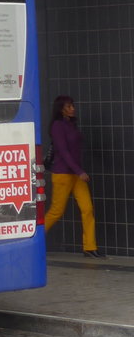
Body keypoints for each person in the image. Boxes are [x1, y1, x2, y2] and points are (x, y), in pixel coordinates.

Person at [43, 95, 104, 258]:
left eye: (72, 106)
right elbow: (63, 152)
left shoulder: (71, 124)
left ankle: (90, 247)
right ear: (61, 109)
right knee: (56, 211)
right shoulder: (57, 126)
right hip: (63, 174)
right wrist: (79, 171)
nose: (72, 108)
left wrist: (78, 171)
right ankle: (36, 238)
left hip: (76, 174)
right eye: (69, 106)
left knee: (87, 209)